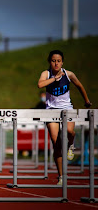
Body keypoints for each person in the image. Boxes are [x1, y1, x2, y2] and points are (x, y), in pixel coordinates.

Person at [38, 50, 92, 185]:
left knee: (68, 132)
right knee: (56, 142)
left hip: (67, 108)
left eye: (58, 61)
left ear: (62, 62)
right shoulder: (46, 73)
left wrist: (86, 101)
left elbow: (79, 86)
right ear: (49, 62)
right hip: (51, 110)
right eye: (53, 61)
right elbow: (40, 84)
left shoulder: (69, 74)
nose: (56, 63)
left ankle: (71, 144)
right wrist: (53, 79)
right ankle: (62, 176)